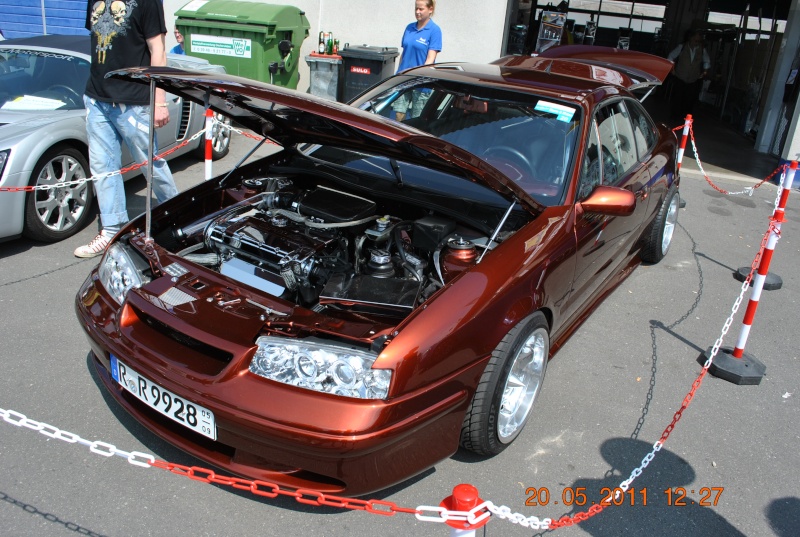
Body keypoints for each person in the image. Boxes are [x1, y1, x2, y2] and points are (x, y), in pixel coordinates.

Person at [76, 0, 178, 258]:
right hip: (98, 98)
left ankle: (178, 220)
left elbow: (158, 50)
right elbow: (102, 44)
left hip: (134, 100)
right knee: (103, 167)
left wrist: (160, 101)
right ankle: (112, 229)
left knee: (150, 164)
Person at [392, 0, 442, 122]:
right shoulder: (409, 28)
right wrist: (399, 73)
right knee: (399, 115)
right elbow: (404, 53)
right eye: (416, 9)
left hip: (421, 83)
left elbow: (431, 58)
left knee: (417, 120)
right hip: (404, 79)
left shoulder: (434, 30)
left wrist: (420, 77)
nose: (417, 12)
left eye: (421, 9)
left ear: (430, 9)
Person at [667, 29, 710, 120]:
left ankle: (686, 118)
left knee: (689, 99)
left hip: (693, 79)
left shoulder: (702, 49)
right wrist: (672, 69)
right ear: (690, 38)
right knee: (677, 98)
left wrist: (704, 72)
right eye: (695, 40)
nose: (697, 42)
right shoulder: (682, 47)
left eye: (698, 40)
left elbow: (707, 61)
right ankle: (675, 117)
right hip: (680, 77)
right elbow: (670, 56)